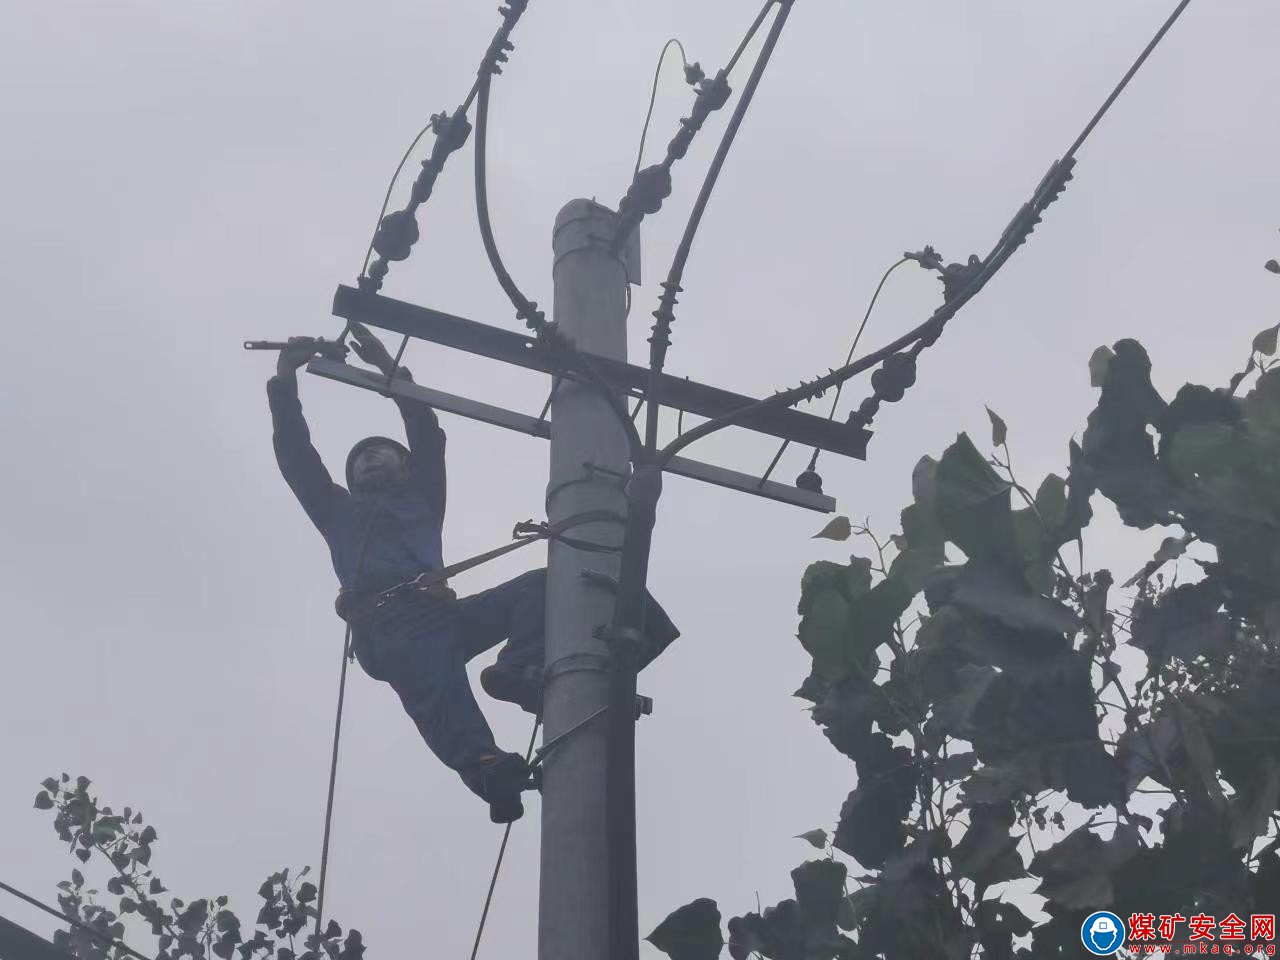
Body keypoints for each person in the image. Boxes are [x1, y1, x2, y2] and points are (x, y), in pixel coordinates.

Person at [265, 323, 679, 823]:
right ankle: (485, 766)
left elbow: (426, 431)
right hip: (389, 626)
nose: (368, 460)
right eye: (359, 462)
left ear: (406, 468)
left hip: (440, 614)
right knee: (437, 689)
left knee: (543, 585)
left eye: (381, 453)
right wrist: (285, 377)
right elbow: (296, 456)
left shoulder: (421, 498)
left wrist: (391, 370)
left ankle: (519, 670)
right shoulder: (337, 512)